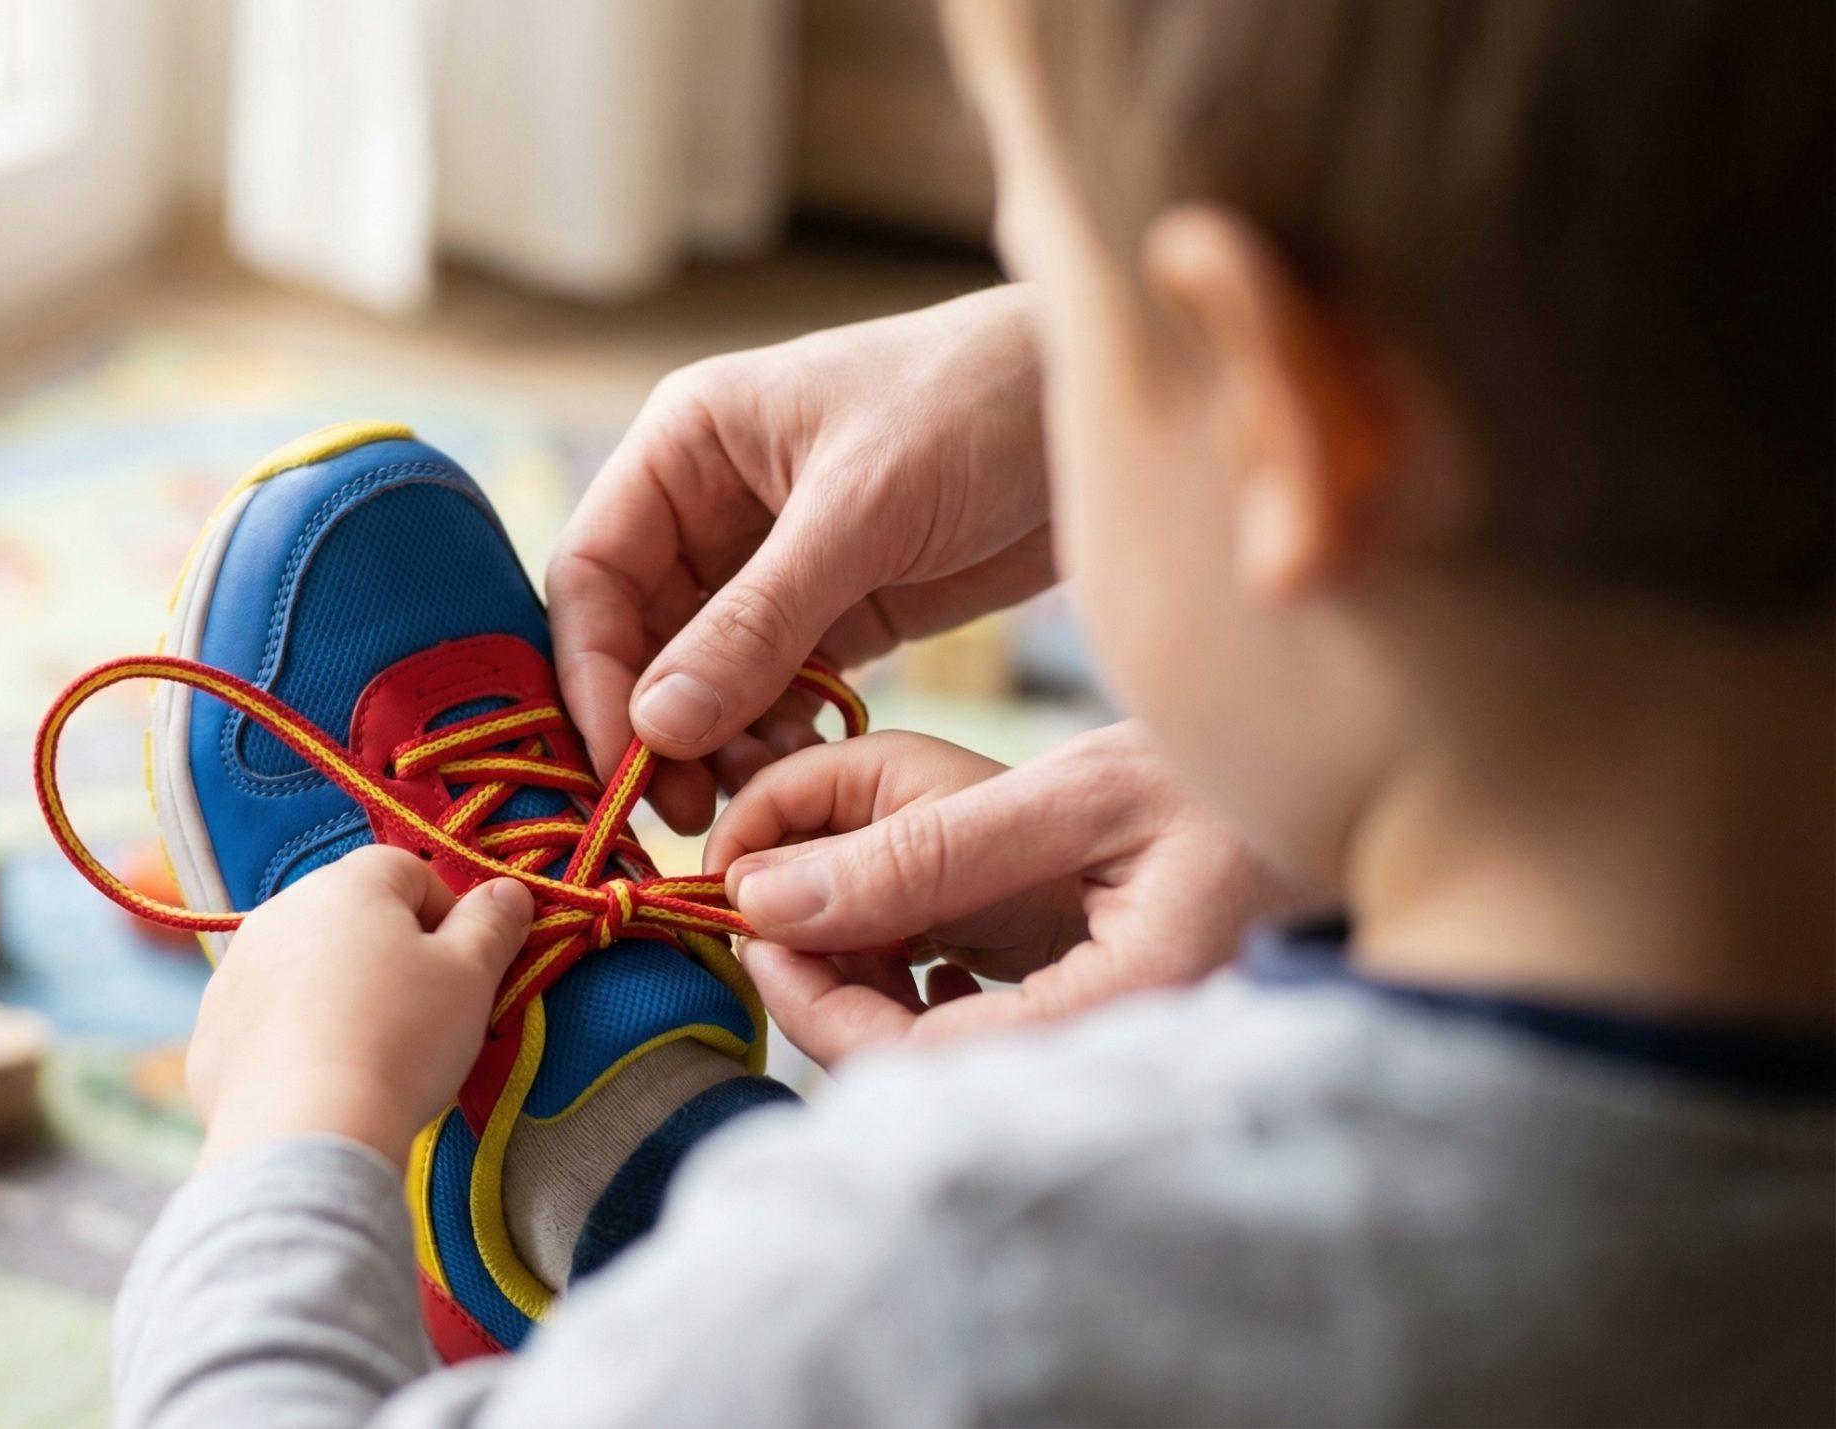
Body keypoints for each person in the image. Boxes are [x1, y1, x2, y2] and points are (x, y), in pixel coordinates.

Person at [112, 1, 1835, 1423]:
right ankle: (636, 1181)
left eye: (1047, 301)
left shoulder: (956, 1265)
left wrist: (296, 1117)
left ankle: (615, 1235)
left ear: (1285, 414)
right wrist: (1298, 893)